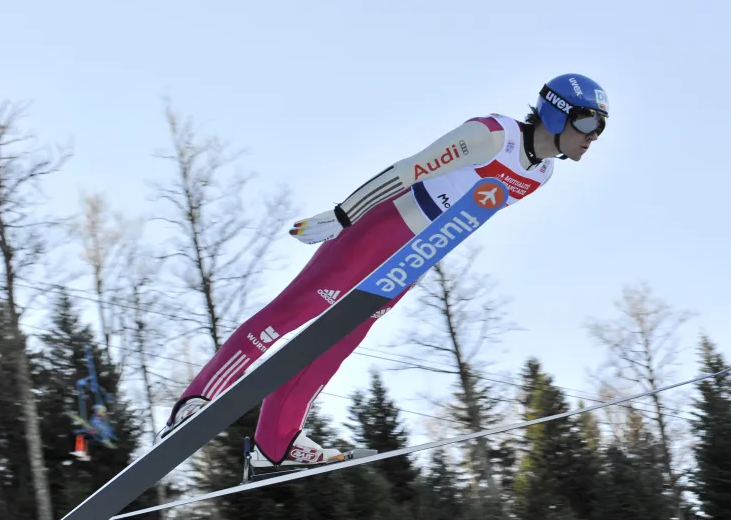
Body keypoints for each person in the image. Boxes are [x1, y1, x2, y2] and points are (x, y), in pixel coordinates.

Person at [155, 74, 610, 467]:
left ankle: (275, 442)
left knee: (337, 342)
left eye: (600, 129)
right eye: (588, 122)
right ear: (556, 113)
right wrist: (342, 215)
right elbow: (409, 170)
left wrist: (415, 262)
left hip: (414, 257)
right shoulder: (493, 135)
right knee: (293, 312)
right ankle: (199, 399)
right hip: (378, 229)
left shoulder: (543, 173)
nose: (593, 136)